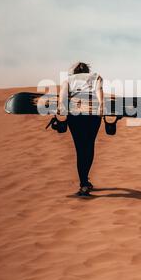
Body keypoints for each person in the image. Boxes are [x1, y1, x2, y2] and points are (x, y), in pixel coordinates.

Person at [59, 62, 103, 196]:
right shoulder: (96, 77)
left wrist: (62, 108)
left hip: (75, 115)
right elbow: (98, 91)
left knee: (80, 148)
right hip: (93, 114)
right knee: (89, 146)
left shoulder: (68, 79)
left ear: (75, 71)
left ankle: (84, 183)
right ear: (88, 70)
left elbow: (63, 95)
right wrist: (101, 105)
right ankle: (85, 181)